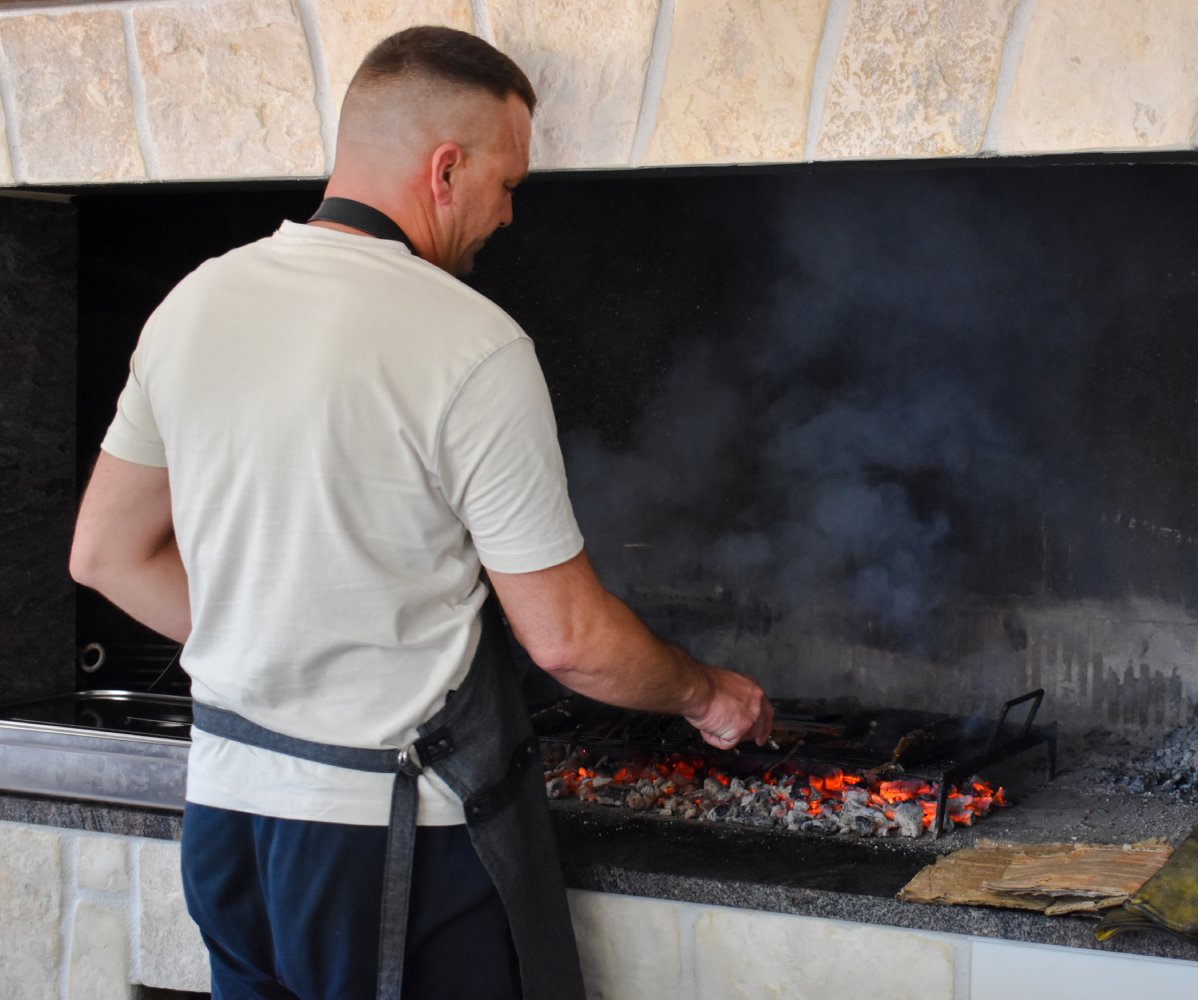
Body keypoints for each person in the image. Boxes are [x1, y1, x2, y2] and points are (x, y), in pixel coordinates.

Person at [69, 25, 772, 1000]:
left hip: (227, 818)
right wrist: (708, 694)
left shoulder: (195, 303)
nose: (510, 214)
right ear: (446, 169)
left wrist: (274, 634)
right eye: (508, 184)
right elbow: (567, 640)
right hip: (382, 845)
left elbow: (106, 554)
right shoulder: (467, 344)